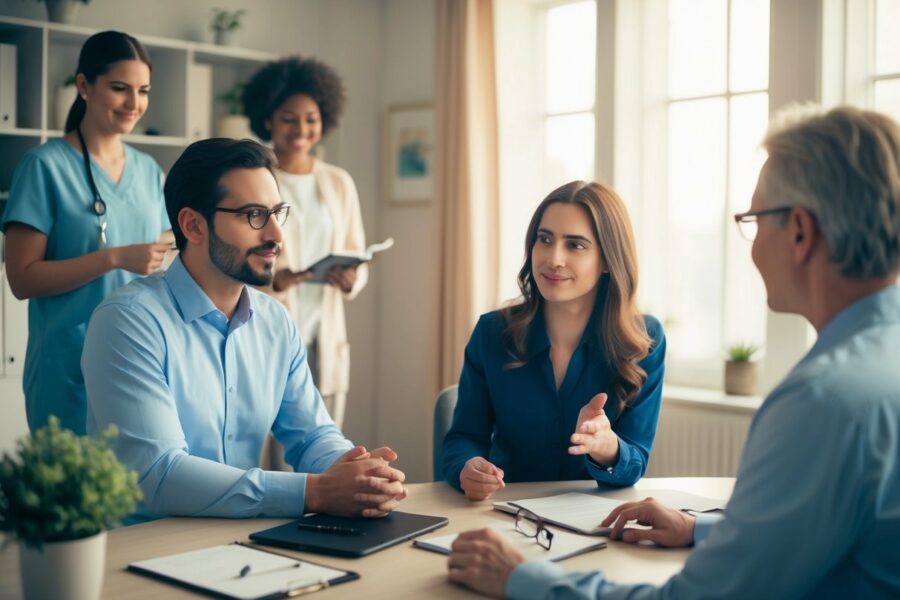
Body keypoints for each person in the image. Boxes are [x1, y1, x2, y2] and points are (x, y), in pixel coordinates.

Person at [447, 105, 900, 598]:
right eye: (545, 239)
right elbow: (811, 533)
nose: (554, 258)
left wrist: (522, 580)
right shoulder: (876, 367)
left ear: (799, 231)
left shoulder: (824, 401)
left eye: (752, 218)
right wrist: (698, 528)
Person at [82, 138, 406, 522]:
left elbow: (313, 435)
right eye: (254, 215)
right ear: (193, 225)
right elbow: (160, 474)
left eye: (277, 212)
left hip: (245, 544)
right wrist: (314, 492)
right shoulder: (128, 322)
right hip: (146, 551)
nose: (276, 235)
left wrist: (359, 472)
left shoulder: (275, 322)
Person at [442, 181, 666, 500]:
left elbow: (635, 462)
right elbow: (463, 437)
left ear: (607, 260)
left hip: (594, 523)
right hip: (505, 515)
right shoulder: (491, 333)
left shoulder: (646, 340)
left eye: (575, 245)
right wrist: (468, 466)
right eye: (544, 239)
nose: (553, 258)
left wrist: (608, 447)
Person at [1, 31, 171, 435]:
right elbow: (21, 278)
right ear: (83, 86)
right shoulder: (43, 167)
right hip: (66, 369)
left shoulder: (149, 172)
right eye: (119, 88)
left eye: (143, 91)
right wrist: (113, 258)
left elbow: (163, 251)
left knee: (139, 493)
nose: (134, 104)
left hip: (138, 361)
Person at [242, 56, 367, 429]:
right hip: (269, 324)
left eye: (311, 119)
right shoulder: (254, 179)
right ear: (268, 119)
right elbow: (237, 253)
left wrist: (351, 280)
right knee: (268, 449)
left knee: (325, 445)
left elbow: (356, 252)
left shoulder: (338, 182)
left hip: (323, 334)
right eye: (289, 117)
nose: (301, 128)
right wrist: (275, 280)